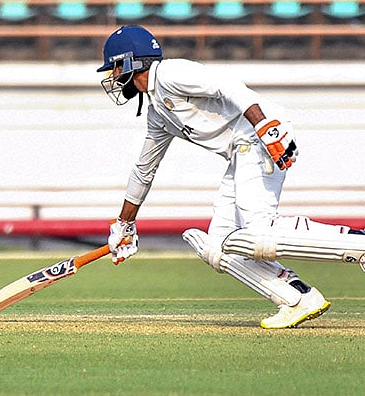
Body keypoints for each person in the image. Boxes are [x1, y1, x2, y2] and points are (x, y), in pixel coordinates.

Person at [98, 25, 365, 329]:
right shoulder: (158, 112)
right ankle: (297, 298)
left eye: (116, 66)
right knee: (219, 245)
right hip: (240, 152)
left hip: (258, 135)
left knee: (259, 230)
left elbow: (228, 85)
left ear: (133, 61)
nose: (113, 76)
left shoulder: (170, 73)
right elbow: (144, 170)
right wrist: (124, 224)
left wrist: (264, 126)